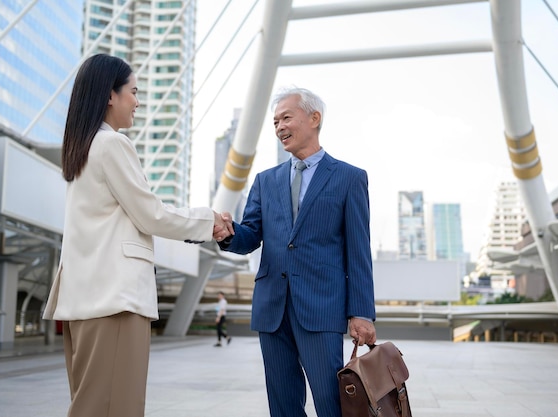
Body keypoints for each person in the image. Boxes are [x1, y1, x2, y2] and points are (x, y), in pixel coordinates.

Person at [41, 54, 233, 417]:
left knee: (91, 404)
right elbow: (150, 213)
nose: (138, 101)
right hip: (115, 300)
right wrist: (208, 221)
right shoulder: (112, 144)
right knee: (117, 408)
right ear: (110, 95)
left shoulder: (82, 148)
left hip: (85, 299)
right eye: (134, 91)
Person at [218, 87, 377, 417]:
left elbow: (358, 251)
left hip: (321, 308)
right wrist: (228, 233)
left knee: (331, 402)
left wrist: (361, 312)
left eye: (286, 118)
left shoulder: (349, 178)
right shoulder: (265, 181)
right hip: (272, 308)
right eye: (275, 122)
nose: (279, 127)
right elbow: (251, 235)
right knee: (283, 405)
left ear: (315, 118)